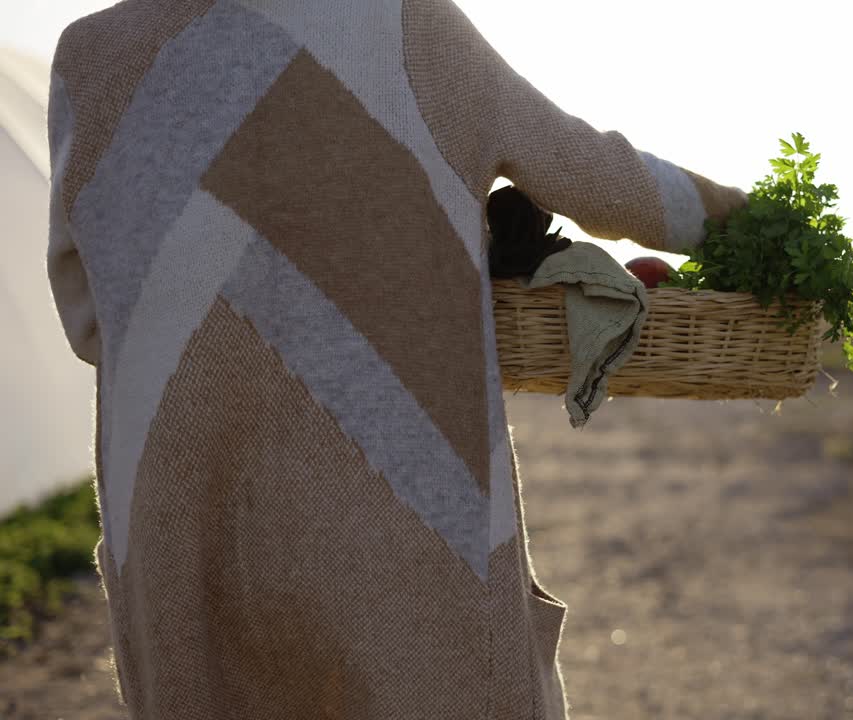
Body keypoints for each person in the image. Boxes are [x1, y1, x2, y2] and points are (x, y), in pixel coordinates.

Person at [45, 0, 746, 718]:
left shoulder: (90, 55)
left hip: (180, 515)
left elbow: (86, 314)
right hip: (407, 504)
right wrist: (753, 221)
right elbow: (594, 174)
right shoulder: (409, 24)